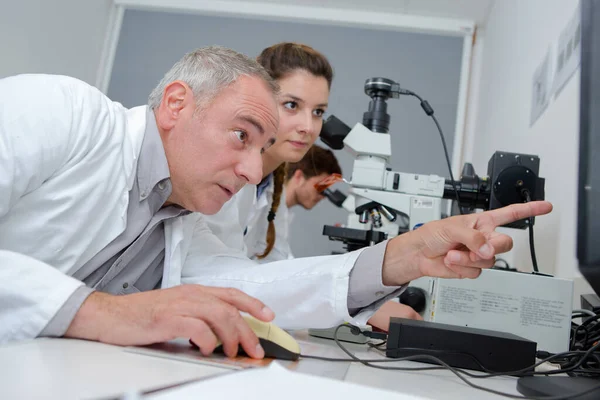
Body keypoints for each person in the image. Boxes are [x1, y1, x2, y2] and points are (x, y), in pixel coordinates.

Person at [0, 44, 551, 359]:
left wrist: (399, 257)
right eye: (242, 135)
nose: (249, 170)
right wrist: (102, 312)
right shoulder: (62, 113)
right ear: (175, 104)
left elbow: (254, 289)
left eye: (262, 149)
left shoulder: (184, 219)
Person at [180, 43, 549, 338]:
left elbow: (278, 274)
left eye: (319, 112)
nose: (308, 127)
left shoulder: (271, 187)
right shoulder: (223, 179)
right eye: (292, 105)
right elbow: (216, 278)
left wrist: (358, 309)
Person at [246, 144, 423, 328]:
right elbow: (272, 273)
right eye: (322, 189)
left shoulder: (280, 213)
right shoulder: (264, 204)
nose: (322, 197)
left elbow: (283, 266)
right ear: (299, 177)